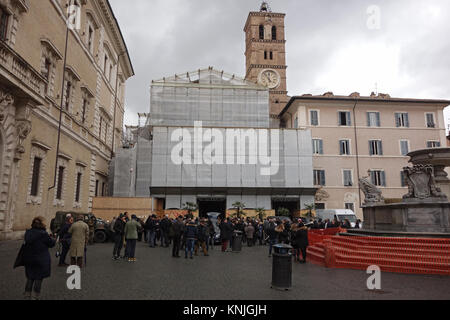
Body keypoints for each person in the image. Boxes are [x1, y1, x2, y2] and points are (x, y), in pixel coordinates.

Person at [22, 217, 56, 300]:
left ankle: (27, 296)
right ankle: (35, 297)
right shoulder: (43, 234)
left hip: (29, 259)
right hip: (41, 259)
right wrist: (54, 238)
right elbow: (51, 244)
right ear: (41, 224)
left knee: (30, 277)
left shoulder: (28, 233)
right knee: (38, 278)